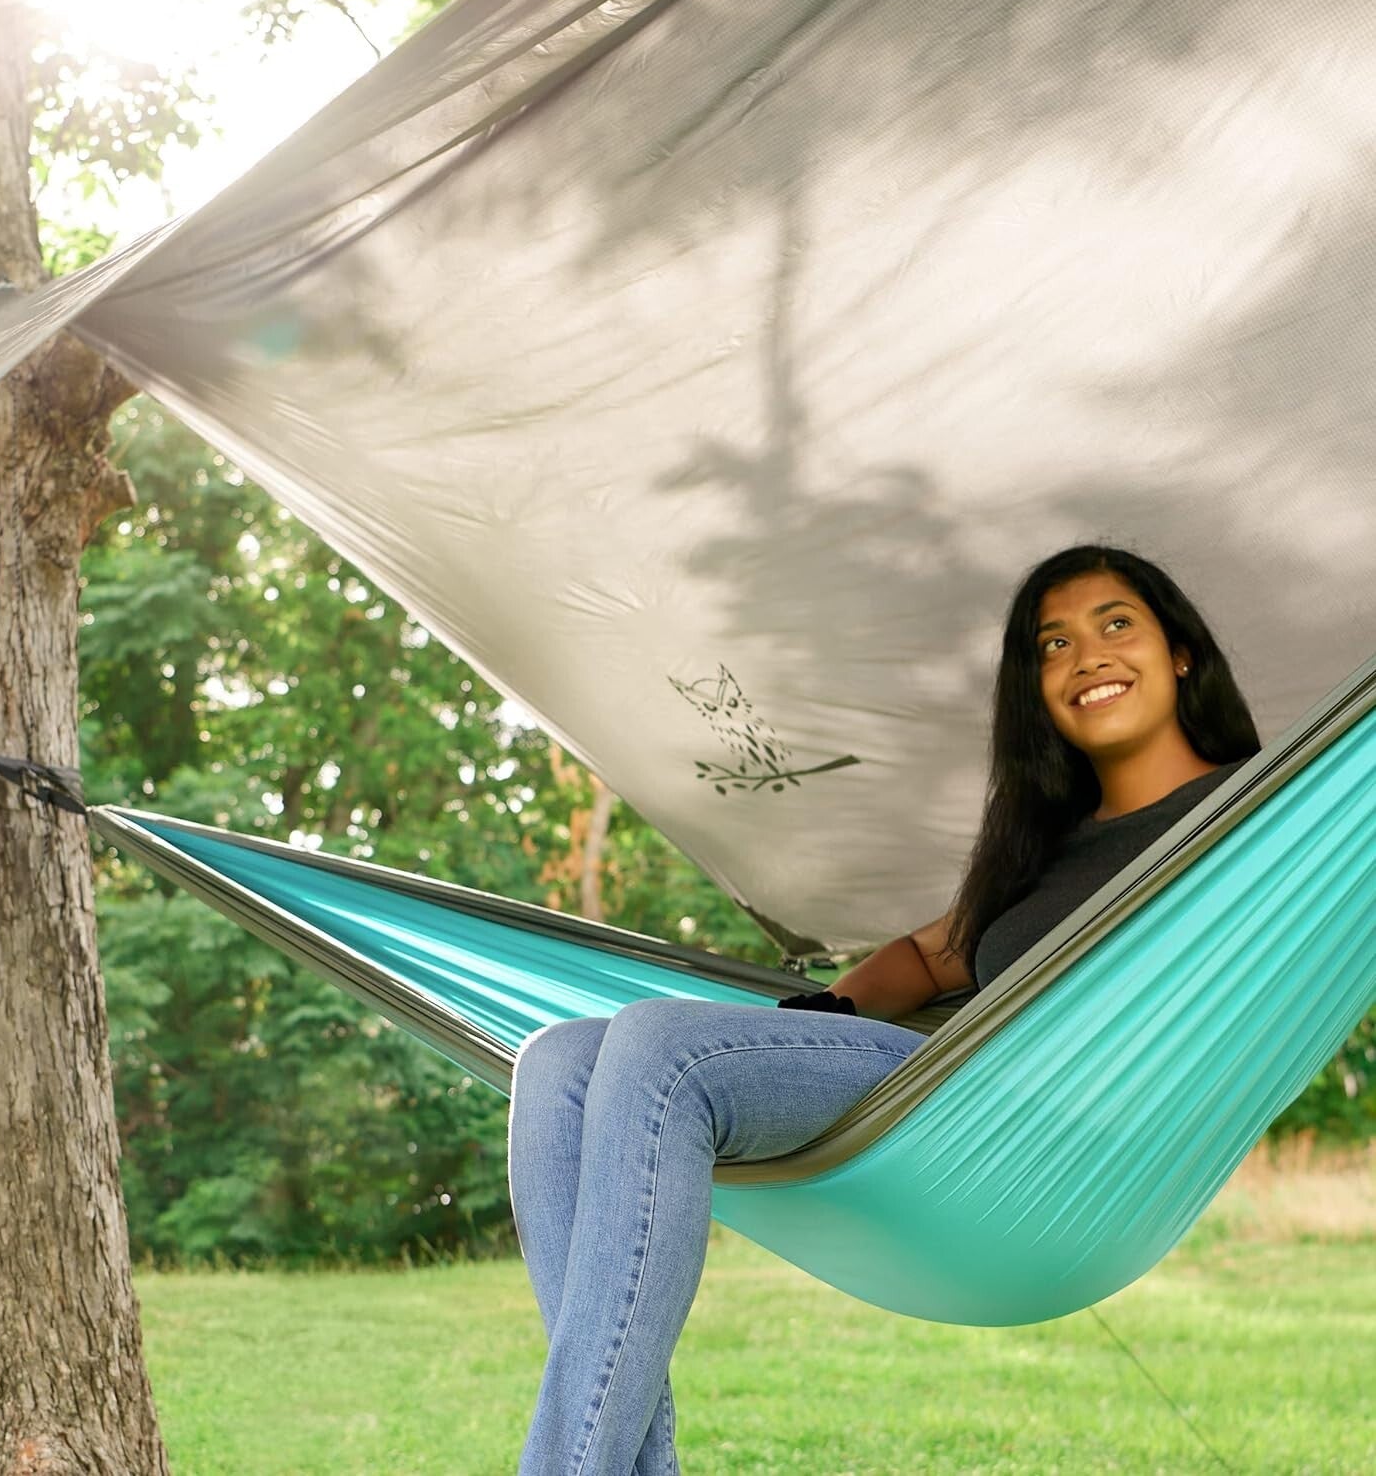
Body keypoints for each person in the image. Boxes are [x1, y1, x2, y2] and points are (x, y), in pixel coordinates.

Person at [507, 544, 1261, 1475]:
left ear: (1180, 651)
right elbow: (932, 953)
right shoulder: (1049, 845)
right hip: (934, 1100)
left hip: (1035, 1135)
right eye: (1053, 644)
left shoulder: (1262, 815)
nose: (1087, 657)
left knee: (658, 1045)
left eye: (1116, 625)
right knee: (558, 1060)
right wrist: (824, 1009)